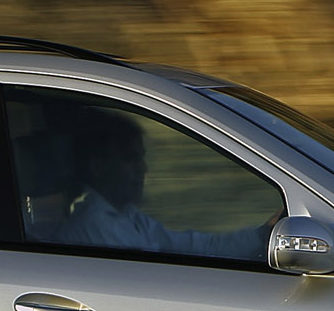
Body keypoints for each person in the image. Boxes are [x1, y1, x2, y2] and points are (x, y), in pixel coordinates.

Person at [20, 104, 267, 262]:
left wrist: (262, 236)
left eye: (141, 158)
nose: (143, 169)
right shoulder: (95, 226)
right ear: (98, 167)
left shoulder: (128, 218)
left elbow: (194, 245)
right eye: (130, 159)